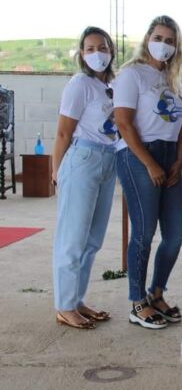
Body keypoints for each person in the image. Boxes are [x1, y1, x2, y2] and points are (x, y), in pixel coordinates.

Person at [114, 15, 182, 330]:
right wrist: (150, 162)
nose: (164, 45)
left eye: (170, 40)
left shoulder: (171, 80)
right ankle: (136, 302)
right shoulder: (132, 75)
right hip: (139, 154)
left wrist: (179, 162)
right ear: (147, 39)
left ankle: (156, 293)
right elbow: (123, 123)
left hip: (170, 156)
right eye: (159, 38)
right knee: (143, 232)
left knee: (176, 233)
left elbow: (181, 127)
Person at [51, 26, 118, 329]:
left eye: (102, 47)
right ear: (81, 53)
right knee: (73, 237)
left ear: (111, 50)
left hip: (108, 160)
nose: (97, 53)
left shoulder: (114, 85)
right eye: (90, 48)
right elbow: (64, 131)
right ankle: (64, 306)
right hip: (83, 159)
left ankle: (76, 299)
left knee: (93, 239)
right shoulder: (79, 84)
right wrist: (57, 171)